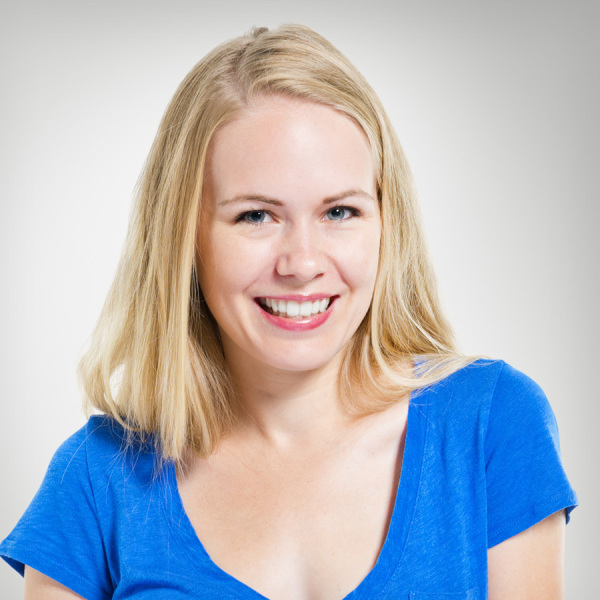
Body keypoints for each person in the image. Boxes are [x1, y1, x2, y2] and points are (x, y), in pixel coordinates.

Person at [0, 24, 577, 600]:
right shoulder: (95, 478)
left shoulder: (492, 424)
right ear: (186, 240)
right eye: (256, 216)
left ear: (385, 224)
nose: (302, 263)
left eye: (340, 212)